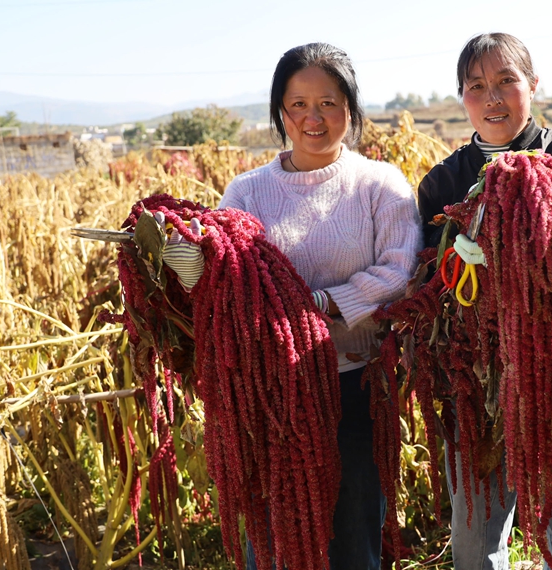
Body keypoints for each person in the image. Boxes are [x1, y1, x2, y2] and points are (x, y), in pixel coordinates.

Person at [219, 42, 422, 570]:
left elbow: (400, 270)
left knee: (354, 538)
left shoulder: (380, 185)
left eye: (328, 103)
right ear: (280, 112)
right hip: (272, 394)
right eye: (298, 104)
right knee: (274, 538)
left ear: (350, 109)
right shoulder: (246, 193)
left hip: (356, 385)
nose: (314, 117)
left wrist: (324, 302)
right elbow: (226, 280)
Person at [416, 33, 552, 570]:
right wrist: (452, 259)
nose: (492, 97)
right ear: (462, 97)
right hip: (472, 380)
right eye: (477, 86)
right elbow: (421, 287)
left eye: (506, 81)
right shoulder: (442, 183)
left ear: (533, 86)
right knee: (475, 539)